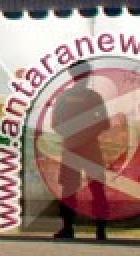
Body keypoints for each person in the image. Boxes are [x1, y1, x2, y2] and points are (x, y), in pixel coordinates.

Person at [52, 62, 111, 241]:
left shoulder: (65, 97)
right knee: (93, 189)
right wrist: (86, 134)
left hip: (73, 147)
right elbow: (105, 123)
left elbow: (56, 125)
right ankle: (97, 232)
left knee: (76, 189)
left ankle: (72, 229)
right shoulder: (93, 97)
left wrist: (74, 134)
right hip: (88, 148)